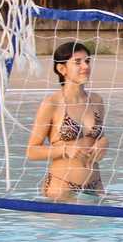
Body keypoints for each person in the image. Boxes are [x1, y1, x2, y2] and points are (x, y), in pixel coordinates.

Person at [26, 41, 109, 200]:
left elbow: (95, 137)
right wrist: (65, 150)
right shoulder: (52, 103)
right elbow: (31, 151)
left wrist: (104, 142)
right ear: (62, 69)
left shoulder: (97, 100)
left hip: (95, 186)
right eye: (78, 62)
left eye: (87, 61)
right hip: (62, 188)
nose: (85, 66)